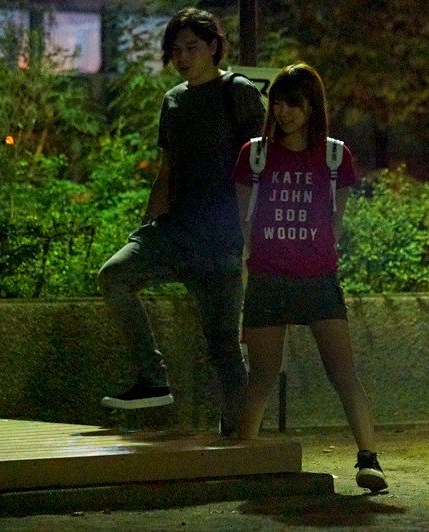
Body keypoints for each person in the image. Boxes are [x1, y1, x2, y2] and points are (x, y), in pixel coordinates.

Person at [97, 7, 265, 436]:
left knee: (223, 348)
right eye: (176, 50)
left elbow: (262, 164)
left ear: (213, 47)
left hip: (220, 243)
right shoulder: (173, 100)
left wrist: (256, 236)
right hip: (173, 232)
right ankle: (152, 379)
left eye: (192, 47)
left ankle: (242, 436)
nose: (183, 57)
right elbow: (167, 170)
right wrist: (146, 223)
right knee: (114, 275)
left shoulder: (237, 91)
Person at [232, 63, 388, 492]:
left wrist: (310, 249)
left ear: (312, 107)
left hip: (318, 278)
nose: (283, 112)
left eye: (294, 104)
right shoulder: (255, 154)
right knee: (262, 375)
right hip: (268, 278)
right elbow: (245, 220)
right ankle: (244, 462)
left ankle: (369, 459)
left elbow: (336, 222)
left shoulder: (335, 156)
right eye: (278, 103)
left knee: (343, 373)